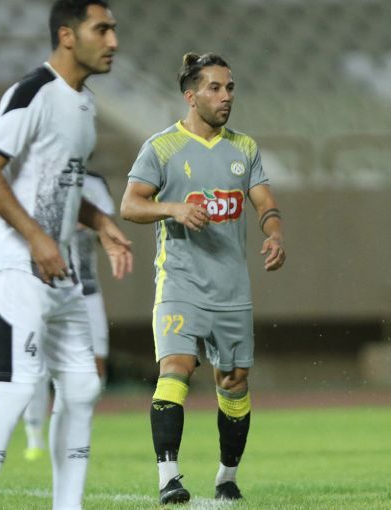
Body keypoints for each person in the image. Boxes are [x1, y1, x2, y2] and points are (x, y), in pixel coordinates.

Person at [0, 2, 131, 510]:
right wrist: (36, 238)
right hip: (11, 269)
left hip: (58, 273)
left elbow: (60, 188)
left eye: (114, 30)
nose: (113, 41)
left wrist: (101, 224)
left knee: (82, 388)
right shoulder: (33, 91)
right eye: (102, 29)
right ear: (68, 35)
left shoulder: (85, 104)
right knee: (13, 391)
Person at [120, 52, 286, 504]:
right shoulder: (161, 148)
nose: (226, 96)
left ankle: (227, 477)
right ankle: (168, 478)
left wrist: (274, 233)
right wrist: (172, 208)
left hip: (231, 289)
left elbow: (265, 203)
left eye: (230, 87)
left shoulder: (244, 148)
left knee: (233, 381)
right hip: (179, 283)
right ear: (191, 96)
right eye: (215, 88)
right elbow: (130, 205)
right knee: (175, 367)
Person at [22, 170, 117, 461]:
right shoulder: (38, 175)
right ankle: (34, 435)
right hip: (42, 286)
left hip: (86, 287)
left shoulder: (95, 182)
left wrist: (93, 225)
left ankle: (79, 424)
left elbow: (106, 229)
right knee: (37, 364)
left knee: (95, 362)